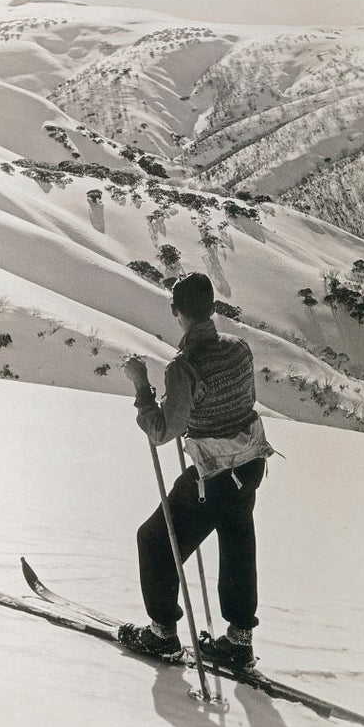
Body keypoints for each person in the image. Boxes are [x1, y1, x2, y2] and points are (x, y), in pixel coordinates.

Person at [119, 273, 276, 669]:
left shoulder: (183, 368)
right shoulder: (240, 349)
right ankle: (239, 640)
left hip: (216, 475)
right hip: (251, 461)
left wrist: (141, 387)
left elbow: (161, 432)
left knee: (155, 540)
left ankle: (162, 635)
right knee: (237, 540)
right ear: (212, 308)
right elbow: (244, 402)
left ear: (177, 313)